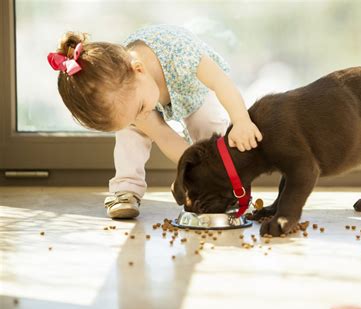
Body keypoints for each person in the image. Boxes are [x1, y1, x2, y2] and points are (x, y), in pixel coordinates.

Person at [48, 24, 262, 219]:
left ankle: (223, 188)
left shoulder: (182, 55)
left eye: (139, 109)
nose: (139, 118)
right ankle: (126, 189)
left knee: (209, 124)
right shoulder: (130, 96)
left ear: (139, 69)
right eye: (130, 117)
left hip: (192, 89)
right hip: (144, 94)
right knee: (130, 135)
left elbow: (220, 81)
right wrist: (189, 173)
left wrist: (241, 119)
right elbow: (164, 136)